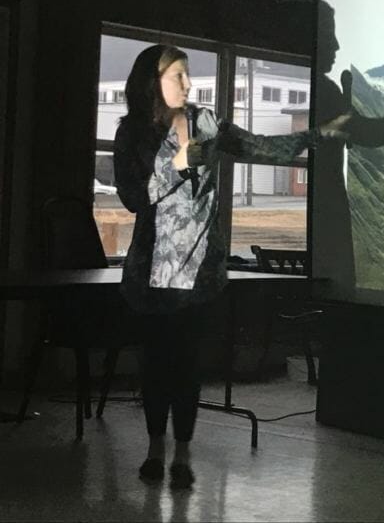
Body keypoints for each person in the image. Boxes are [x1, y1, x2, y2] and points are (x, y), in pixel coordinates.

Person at [113, 44, 349, 489]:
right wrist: (176, 164)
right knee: (156, 366)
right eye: (176, 76)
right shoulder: (131, 133)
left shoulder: (206, 122)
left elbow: (260, 146)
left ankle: (181, 456)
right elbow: (131, 198)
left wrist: (318, 135)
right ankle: (154, 449)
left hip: (199, 271)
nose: (187, 83)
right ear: (151, 84)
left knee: (186, 368)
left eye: (188, 75)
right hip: (152, 272)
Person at [312, 0, 384, 293]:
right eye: (328, 35)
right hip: (327, 212)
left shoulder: (320, 90)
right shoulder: (325, 92)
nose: (335, 45)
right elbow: (367, 134)